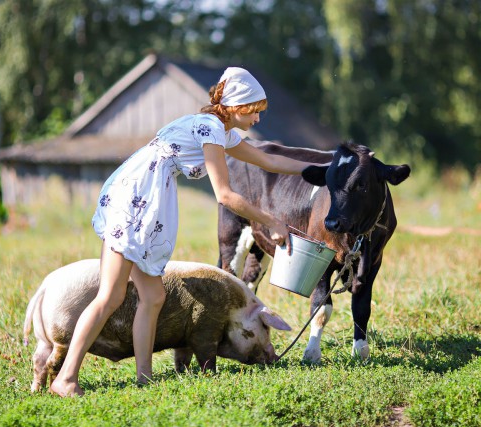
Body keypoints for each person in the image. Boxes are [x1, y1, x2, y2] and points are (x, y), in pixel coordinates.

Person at [50, 66, 321, 397]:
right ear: (237, 106)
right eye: (255, 112)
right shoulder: (209, 127)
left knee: (153, 296)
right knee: (110, 296)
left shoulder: (220, 132)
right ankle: (65, 379)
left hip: (145, 193)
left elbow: (268, 161)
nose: (258, 120)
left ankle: (144, 379)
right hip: (139, 197)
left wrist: (322, 169)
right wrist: (270, 221)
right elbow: (224, 194)